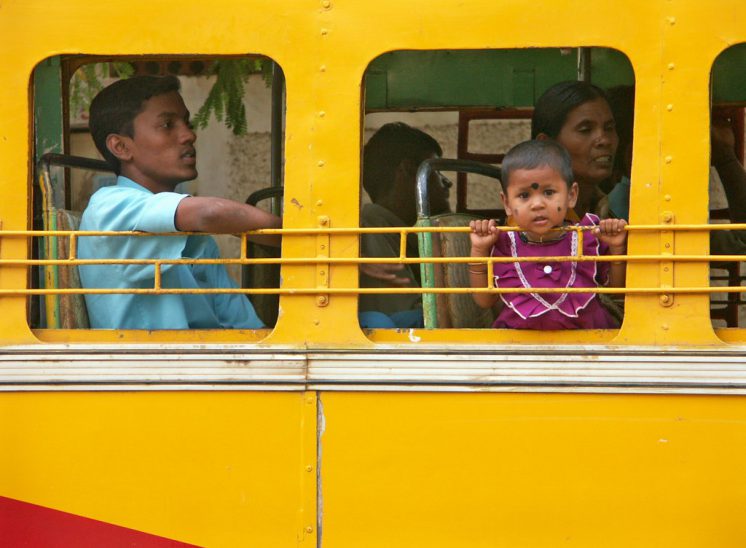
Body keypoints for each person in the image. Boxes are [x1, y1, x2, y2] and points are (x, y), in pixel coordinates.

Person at [78, 75, 281, 329]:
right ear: (120, 146)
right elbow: (210, 213)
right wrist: (301, 239)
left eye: (187, 123)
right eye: (167, 125)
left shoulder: (198, 241)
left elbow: (247, 329)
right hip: (142, 367)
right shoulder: (109, 207)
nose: (188, 135)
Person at [468, 140, 627, 329]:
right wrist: (479, 248)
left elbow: (616, 291)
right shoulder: (504, 243)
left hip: (587, 345)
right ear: (507, 204)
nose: (537, 204)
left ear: (571, 195)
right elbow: (484, 301)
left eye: (549, 192)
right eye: (524, 196)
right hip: (520, 348)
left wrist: (617, 247)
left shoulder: (587, 236)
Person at [359, 122, 452, 328]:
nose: (447, 182)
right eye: (436, 171)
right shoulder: (373, 223)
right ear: (409, 171)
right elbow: (412, 316)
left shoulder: (410, 232)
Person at [531, 81, 619, 219]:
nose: (605, 140)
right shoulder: (535, 219)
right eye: (585, 130)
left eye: (609, 128)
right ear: (547, 146)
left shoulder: (604, 207)